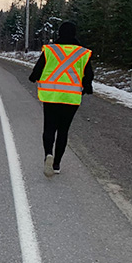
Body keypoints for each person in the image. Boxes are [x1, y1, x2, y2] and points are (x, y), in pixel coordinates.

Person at [29, 21, 93, 177]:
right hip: (71, 98)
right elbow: (88, 74)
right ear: (74, 34)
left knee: (49, 128)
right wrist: (87, 87)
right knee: (63, 130)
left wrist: (34, 77)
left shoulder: (50, 50)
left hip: (51, 95)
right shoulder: (82, 53)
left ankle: (48, 155)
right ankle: (57, 164)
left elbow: (38, 70)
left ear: (59, 33)